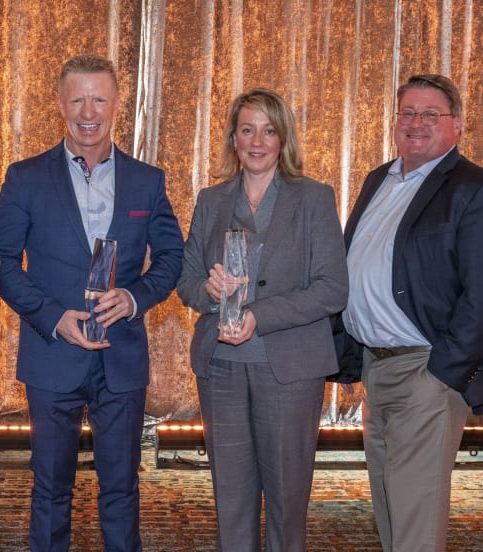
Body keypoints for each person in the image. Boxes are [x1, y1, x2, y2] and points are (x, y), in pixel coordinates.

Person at [0, 53, 184, 552]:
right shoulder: (25, 177)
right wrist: (53, 318)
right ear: (59, 104)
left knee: (121, 487)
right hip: (52, 356)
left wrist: (135, 298)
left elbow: (170, 258)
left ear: (117, 104)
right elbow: (1, 263)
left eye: (99, 98)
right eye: (77, 98)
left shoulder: (148, 181)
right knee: (51, 489)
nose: (88, 110)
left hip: (121, 360)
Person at [339, 74, 483, 551]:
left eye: (430, 114)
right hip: (376, 369)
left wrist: (442, 373)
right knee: (390, 505)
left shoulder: (478, 190)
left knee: (415, 515)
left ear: (456, 125)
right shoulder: (379, 178)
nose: (416, 123)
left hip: (426, 371)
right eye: (407, 113)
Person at [176, 88, 348, 551]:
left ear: (283, 139)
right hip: (221, 369)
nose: (257, 140)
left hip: (289, 370)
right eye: (248, 129)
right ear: (234, 138)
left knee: (287, 505)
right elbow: (186, 280)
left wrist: (258, 316)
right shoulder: (211, 200)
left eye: (269, 130)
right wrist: (209, 291)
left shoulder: (313, 198)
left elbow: (333, 289)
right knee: (230, 502)